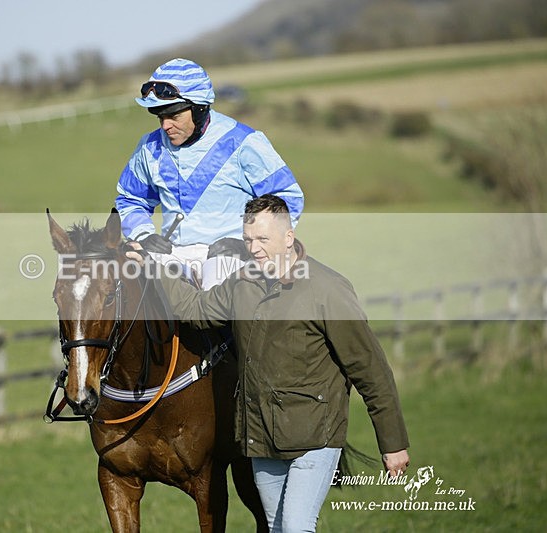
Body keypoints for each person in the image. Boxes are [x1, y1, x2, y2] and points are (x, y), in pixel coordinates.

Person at [126, 194, 410, 532]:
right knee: (276, 529)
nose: (254, 248)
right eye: (248, 240)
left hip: (315, 435)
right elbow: (195, 308)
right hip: (261, 434)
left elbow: (370, 369)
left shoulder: (328, 290)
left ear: (288, 237)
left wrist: (393, 444)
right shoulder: (242, 283)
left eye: (263, 239)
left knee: (294, 528)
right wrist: (152, 268)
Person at [115, 58, 304, 289]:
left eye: (173, 116)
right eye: (160, 117)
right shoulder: (148, 147)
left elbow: (287, 199)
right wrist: (143, 235)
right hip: (171, 254)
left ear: (200, 108)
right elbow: (130, 199)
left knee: (214, 295)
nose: (165, 126)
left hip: (233, 256)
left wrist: (245, 244)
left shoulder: (245, 142)